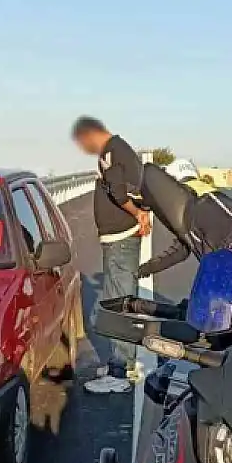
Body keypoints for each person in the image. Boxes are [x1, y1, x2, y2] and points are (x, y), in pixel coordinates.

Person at [71, 116, 151, 393]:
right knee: (115, 297)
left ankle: (121, 372)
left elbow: (119, 191)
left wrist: (138, 214)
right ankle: (120, 364)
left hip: (121, 237)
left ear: (92, 134)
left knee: (120, 302)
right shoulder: (119, 149)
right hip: (118, 237)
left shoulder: (111, 151)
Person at [134, 158, 232, 293]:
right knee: (226, 301)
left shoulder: (194, 200)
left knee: (212, 305)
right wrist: (146, 269)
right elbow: (181, 250)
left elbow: (215, 240)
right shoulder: (206, 195)